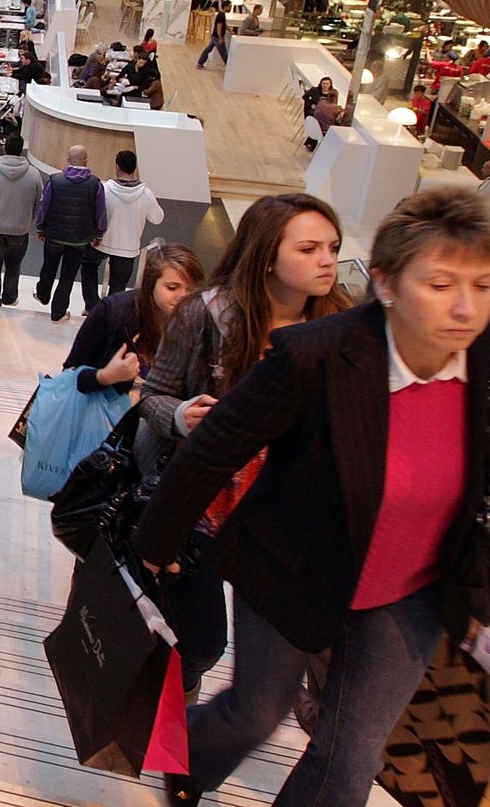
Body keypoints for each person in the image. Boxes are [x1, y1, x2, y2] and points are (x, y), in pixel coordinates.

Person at [141, 188, 490, 805]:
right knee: (256, 711)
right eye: (439, 284)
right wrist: (155, 547)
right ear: (386, 283)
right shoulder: (317, 355)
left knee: (351, 759)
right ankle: (185, 767)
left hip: (412, 590)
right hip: (295, 567)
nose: (466, 307)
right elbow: (215, 446)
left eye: (482, 285)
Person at [135, 193, 353, 709]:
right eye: (309, 248)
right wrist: (181, 415)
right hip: (205, 511)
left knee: (290, 649)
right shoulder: (204, 315)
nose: (327, 260)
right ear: (267, 254)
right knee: (204, 641)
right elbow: (152, 396)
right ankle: (170, 711)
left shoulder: (342, 324)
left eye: (333, 247)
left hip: (285, 518)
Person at [62, 241, 204, 395]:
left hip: (162, 415)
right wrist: (104, 377)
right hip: (104, 413)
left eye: (191, 289)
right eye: (172, 287)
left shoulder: (201, 323)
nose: (183, 296)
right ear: (151, 284)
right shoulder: (113, 312)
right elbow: (69, 374)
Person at [33, 145, 108, 323]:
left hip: (54, 235)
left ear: (68, 160)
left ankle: (43, 294)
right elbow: (101, 212)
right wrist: (98, 234)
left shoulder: (55, 180)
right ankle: (58, 312)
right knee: (68, 275)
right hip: (79, 239)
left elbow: (44, 208)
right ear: (86, 160)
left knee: (49, 266)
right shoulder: (95, 184)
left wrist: (41, 228)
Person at [0, 135, 42, 305]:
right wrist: (29, 219)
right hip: (20, 230)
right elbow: (39, 202)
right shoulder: (33, 175)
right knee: (14, 265)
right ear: (21, 150)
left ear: (4, 148)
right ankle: (10, 297)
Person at [100, 150, 165, 293]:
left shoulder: (105, 190)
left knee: (89, 267)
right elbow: (157, 218)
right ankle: (113, 313)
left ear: (117, 168)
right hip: (128, 249)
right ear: (135, 168)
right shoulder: (146, 194)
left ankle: (91, 306)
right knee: (118, 287)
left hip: (102, 244)